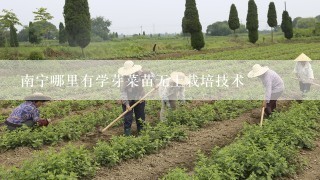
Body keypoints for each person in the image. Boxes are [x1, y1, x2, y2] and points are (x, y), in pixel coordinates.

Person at [118, 61, 156, 136]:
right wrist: (127, 104)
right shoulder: (125, 78)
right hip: (128, 98)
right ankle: (127, 133)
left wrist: (155, 84)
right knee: (128, 118)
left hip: (140, 98)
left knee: (140, 117)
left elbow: (152, 75)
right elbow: (123, 92)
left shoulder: (141, 73)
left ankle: (141, 133)